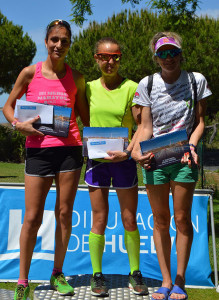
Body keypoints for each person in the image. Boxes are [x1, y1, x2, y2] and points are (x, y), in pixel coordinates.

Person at [3, 19, 89, 300]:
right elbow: (7, 106)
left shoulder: (77, 78)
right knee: (32, 217)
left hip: (69, 151)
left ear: (70, 44)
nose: (59, 45)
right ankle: (23, 280)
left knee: (64, 214)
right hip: (38, 151)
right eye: (54, 39)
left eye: (64, 40)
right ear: (46, 42)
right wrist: (18, 124)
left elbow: (85, 118)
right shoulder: (30, 73)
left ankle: (57, 273)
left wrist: (104, 142)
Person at [131, 32, 212, 300]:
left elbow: (200, 121)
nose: (168, 58)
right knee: (161, 221)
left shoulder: (195, 80)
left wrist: (192, 144)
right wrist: (136, 154)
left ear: (180, 54)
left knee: (181, 219)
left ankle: (180, 280)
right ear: (156, 57)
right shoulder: (147, 83)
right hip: (154, 158)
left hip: (184, 156)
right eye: (162, 53)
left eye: (172, 52)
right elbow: (144, 126)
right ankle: (165, 281)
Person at [84, 37, 148, 297]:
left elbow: (143, 125)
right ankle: (97, 275)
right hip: (96, 162)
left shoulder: (133, 87)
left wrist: (129, 150)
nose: (110, 62)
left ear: (120, 58)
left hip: (124, 161)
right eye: (104, 56)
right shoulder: (87, 88)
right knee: (98, 219)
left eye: (116, 57)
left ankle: (135, 273)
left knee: (129, 218)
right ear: (96, 58)